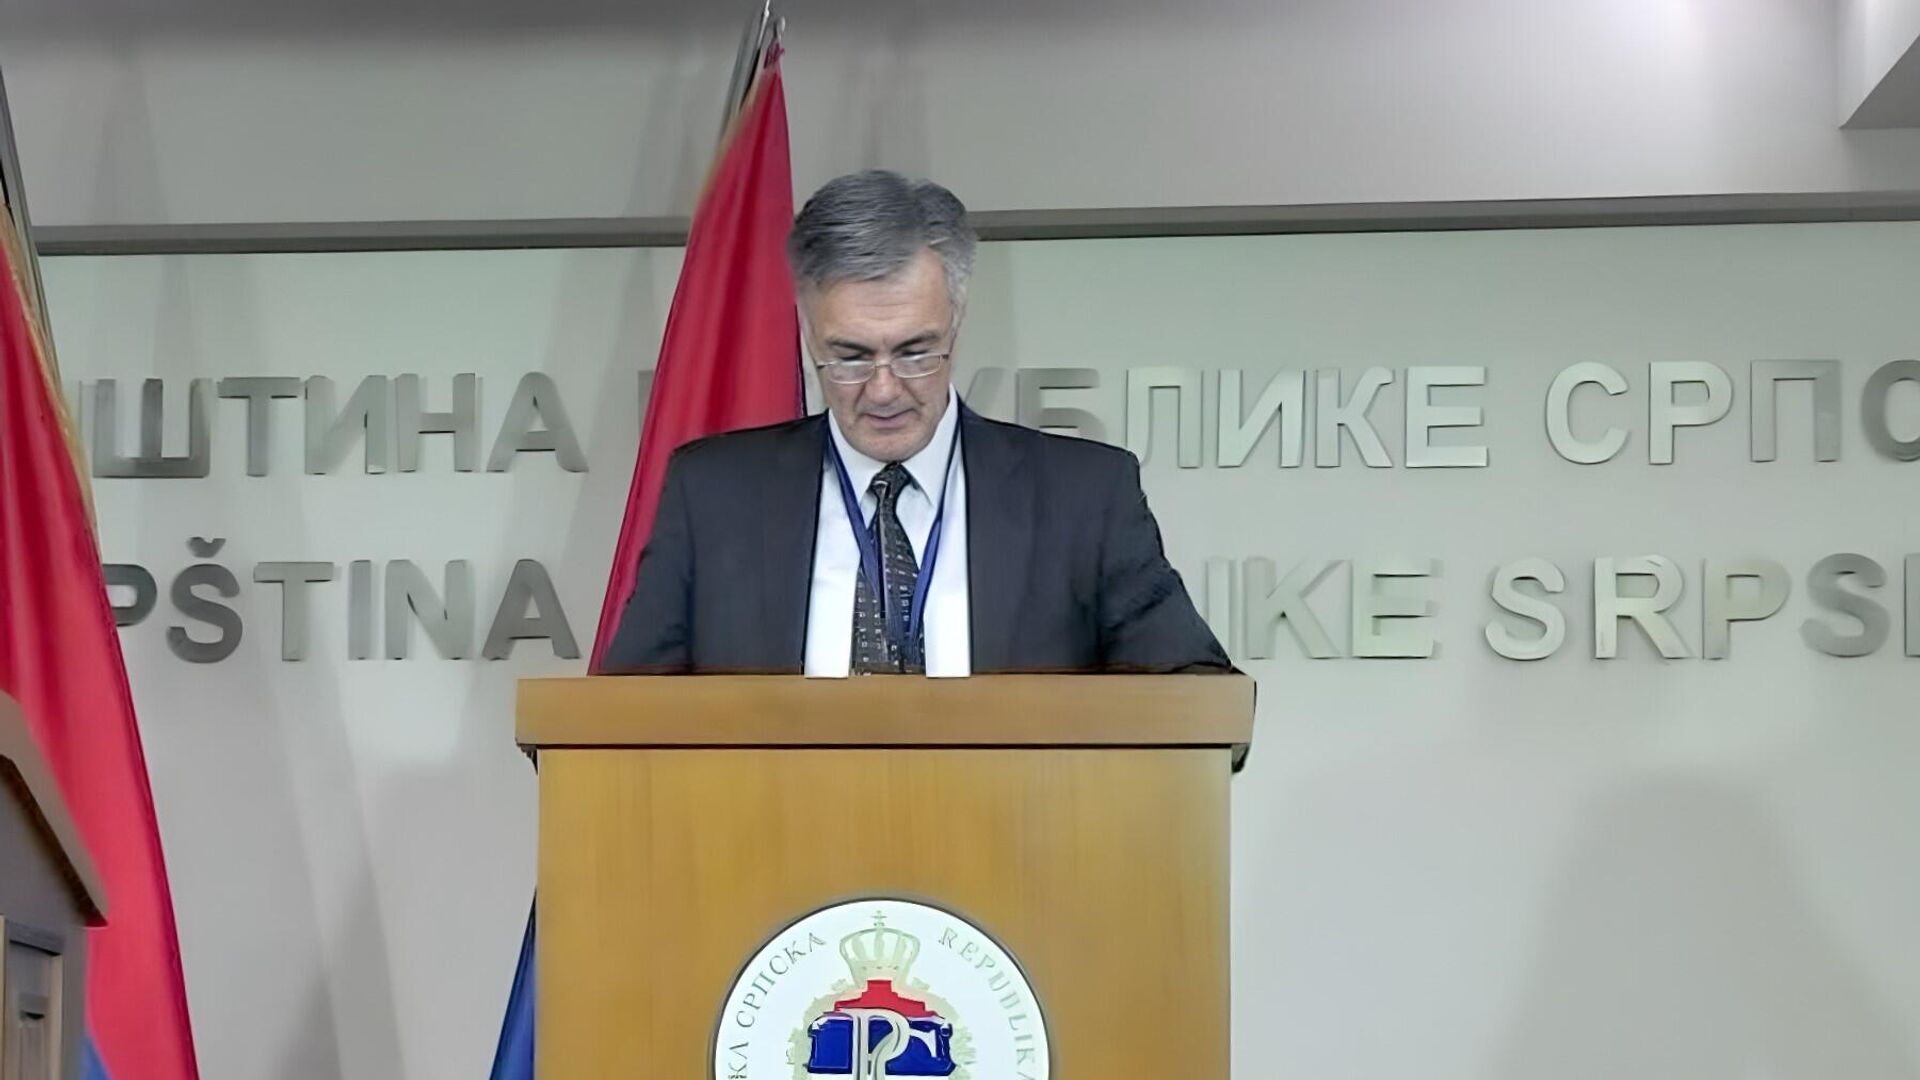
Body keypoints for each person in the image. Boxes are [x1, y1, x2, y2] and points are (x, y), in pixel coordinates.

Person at [601, 169, 1229, 675]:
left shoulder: (1084, 497)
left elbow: (1196, 701)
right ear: (807, 331)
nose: (883, 390)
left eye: (914, 352)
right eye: (850, 357)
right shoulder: (714, 495)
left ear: (956, 320)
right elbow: (617, 725)